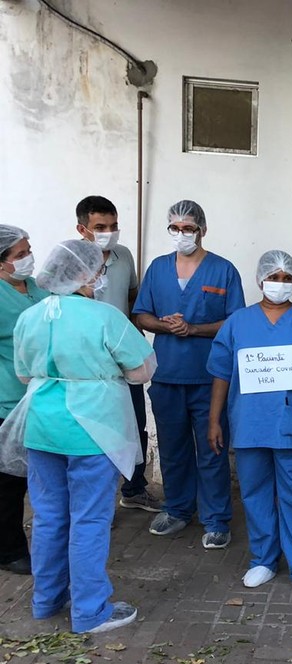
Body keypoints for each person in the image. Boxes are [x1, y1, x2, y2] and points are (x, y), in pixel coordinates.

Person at [7, 240, 155, 633]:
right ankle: (90, 611)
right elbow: (142, 370)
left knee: (49, 517)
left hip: (42, 427)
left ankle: (47, 600)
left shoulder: (31, 316)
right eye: (98, 270)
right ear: (88, 275)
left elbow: (23, 375)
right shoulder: (104, 317)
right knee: (89, 520)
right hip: (93, 429)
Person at [207, 251, 292, 600]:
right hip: (249, 422)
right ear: (260, 279)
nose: (280, 283)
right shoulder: (238, 323)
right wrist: (214, 419)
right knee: (255, 494)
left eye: (286, 277)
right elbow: (221, 373)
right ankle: (263, 558)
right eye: (273, 277)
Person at [133, 200, 245, 548]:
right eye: (175, 228)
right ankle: (178, 509)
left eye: (189, 228)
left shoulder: (223, 270)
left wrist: (193, 329)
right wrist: (167, 327)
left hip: (209, 379)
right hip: (166, 376)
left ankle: (216, 519)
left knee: (212, 448)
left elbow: (235, 321)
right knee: (172, 447)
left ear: (203, 230)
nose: (181, 234)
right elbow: (141, 315)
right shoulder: (158, 268)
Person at [74, 195, 157, 513]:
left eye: (113, 225)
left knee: (133, 424)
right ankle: (94, 504)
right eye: (100, 227)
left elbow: (133, 296)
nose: (109, 232)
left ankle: (135, 488)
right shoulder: (71, 260)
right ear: (82, 228)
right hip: (87, 365)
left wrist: (137, 330)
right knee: (93, 432)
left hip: (123, 359)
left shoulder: (123, 256)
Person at [0, 225, 48, 577]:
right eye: (19, 255)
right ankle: (10, 549)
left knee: (38, 474)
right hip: (7, 399)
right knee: (8, 481)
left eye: (28, 250)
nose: (28, 258)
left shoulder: (35, 287)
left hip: (41, 397)